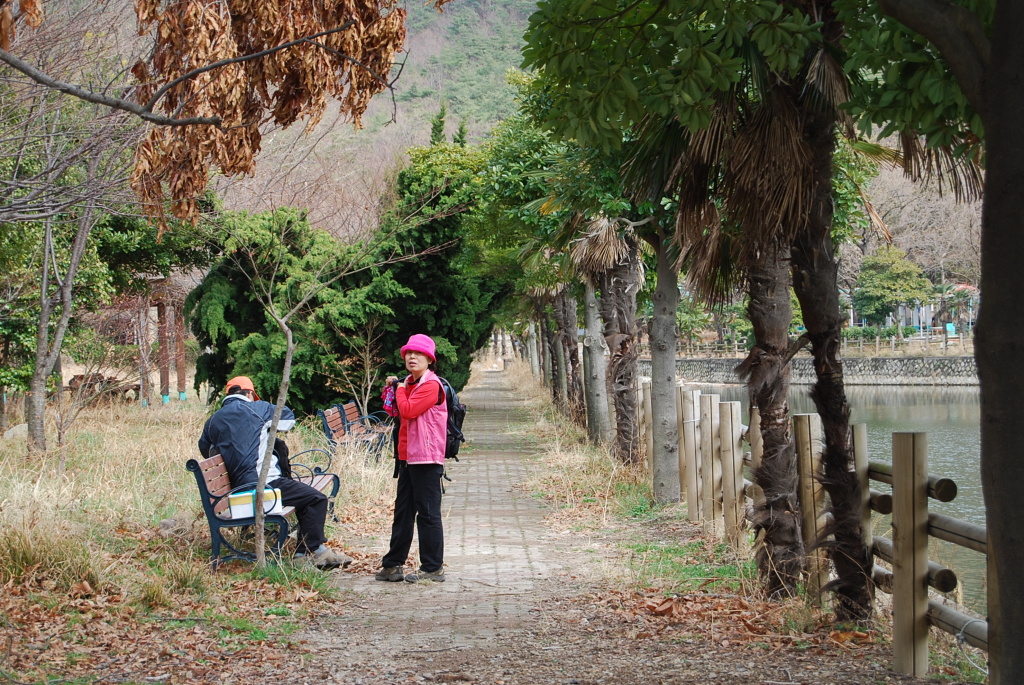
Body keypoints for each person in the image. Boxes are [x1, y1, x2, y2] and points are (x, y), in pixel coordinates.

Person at [198, 376, 352, 570]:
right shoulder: (259, 408)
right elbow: (289, 420)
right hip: (263, 484)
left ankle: (318, 550)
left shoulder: (212, 421)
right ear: (249, 393)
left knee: (305, 495)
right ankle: (304, 555)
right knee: (316, 499)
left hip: (236, 489)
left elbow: (206, 450)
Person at [375, 334, 448, 583]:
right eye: (408, 353)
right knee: (403, 513)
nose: (412, 357)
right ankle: (393, 565)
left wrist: (401, 389)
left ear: (429, 359)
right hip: (407, 457)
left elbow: (407, 409)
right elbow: (394, 410)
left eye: (418, 354)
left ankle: (432, 568)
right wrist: (397, 388)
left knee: (427, 514)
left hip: (427, 458)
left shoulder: (431, 385)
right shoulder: (408, 383)